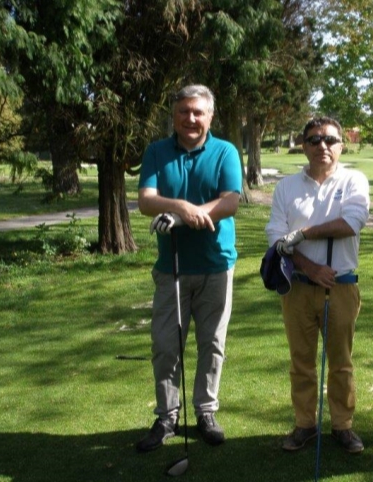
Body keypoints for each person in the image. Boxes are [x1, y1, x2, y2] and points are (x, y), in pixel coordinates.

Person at [135, 84, 242, 453]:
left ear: (210, 116)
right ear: (174, 116)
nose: (191, 118)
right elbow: (146, 200)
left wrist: (188, 216)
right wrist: (181, 206)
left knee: (212, 344)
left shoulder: (225, 151)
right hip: (172, 268)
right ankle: (167, 416)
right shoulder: (156, 152)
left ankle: (206, 411)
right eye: (184, 112)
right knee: (166, 345)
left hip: (216, 265)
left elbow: (230, 201)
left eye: (198, 112)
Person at [265, 117, 370, 454]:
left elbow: (351, 223)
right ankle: (305, 424)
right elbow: (275, 236)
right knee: (302, 362)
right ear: (303, 145)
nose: (322, 146)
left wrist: (305, 233)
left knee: (340, 362)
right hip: (297, 286)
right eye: (314, 140)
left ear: (341, 145)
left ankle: (342, 425)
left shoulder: (354, 180)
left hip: (340, 285)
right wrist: (308, 267)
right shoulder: (286, 187)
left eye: (330, 140)